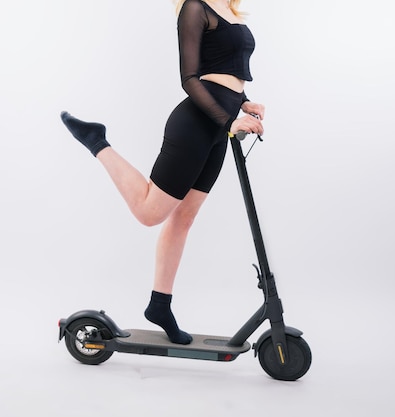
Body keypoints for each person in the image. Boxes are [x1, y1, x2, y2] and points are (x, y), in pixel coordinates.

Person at [60, 0, 265, 345]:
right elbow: (190, 78)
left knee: (183, 218)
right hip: (198, 123)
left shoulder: (229, 9)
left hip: (221, 125)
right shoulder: (195, 8)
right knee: (149, 212)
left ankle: (159, 304)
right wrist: (230, 118)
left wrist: (244, 103)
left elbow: (225, 70)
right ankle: (97, 141)